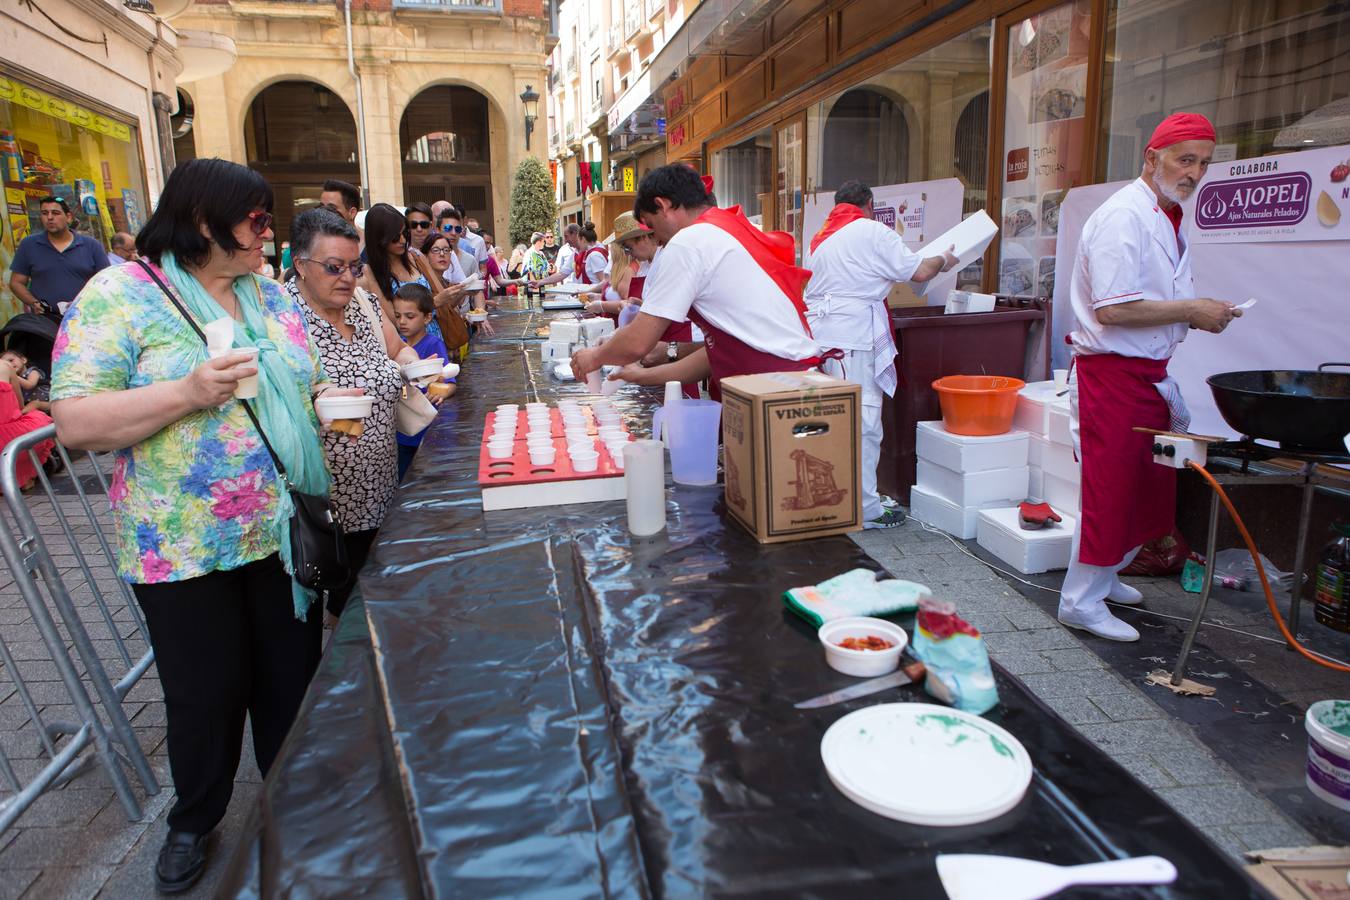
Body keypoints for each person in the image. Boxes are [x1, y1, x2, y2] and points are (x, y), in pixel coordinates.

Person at [49, 158, 345, 893]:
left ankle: (292, 802)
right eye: (255, 219)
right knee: (205, 692)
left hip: (279, 532)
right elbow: (75, 420)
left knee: (289, 679)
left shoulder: (269, 295)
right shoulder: (122, 294)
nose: (267, 231)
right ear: (203, 221)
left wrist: (320, 410)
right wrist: (186, 392)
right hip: (181, 544)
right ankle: (197, 818)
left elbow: (294, 384)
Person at [1060, 112, 1241, 642]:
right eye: (1185, 159)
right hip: (1112, 377)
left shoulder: (1164, 214)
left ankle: (1107, 574)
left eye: (1203, 163)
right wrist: (1192, 309)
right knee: (1112, 489)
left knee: (1144, 487)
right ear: (1152, 158)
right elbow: (1114, 310)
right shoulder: (1125, 218)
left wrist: (1195, 313)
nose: (1194, 172)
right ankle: (1080, 600)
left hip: (1146, 376)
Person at [571, 165, 820, 395]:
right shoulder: (721, 228)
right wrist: (642, 375)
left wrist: (594, 357)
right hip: (787, 379)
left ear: (663, 205)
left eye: (651, 225)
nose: (655, 238)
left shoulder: (688, 242)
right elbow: (714, 354)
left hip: (776, 387)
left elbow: (638, 341)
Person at [804, 180, 958, 530]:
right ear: (870, 205)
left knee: (831, 420)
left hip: (823, 337)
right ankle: (864, 509)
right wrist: (944, 259)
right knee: (863, 423)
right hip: (853, 338)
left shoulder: (821, 238)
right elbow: (920, 271)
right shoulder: (871, 231)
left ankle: (833, 500)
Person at [287, 208, 417, 621]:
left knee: (370, 589)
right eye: (333, 267)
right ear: (300, 266)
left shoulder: (364, 303)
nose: (347, 277)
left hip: (378, 481)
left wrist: (416, 370)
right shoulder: (282, 315)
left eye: (354, 266)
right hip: (324, 495)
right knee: (338, 597)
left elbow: (398, 349)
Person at [604, 212, 703, 400]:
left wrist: (600, 355)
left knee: (677, 400)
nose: (629, 253)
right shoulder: (652, 262)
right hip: (662, 345)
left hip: (676, 344)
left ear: (642, 238)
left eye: (628, 247)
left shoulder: (669, 257)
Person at [9, 195, 109, 318]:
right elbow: (16, 282)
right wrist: (34, 303)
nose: (49, 218)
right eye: (45, 213)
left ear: (68, 217)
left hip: (84, 319)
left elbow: (106, 282)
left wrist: (89, 303)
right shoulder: (29, 245)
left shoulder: (91, 246)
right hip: (44, 321)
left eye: (55, 213)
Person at [391, 283, 452, 480]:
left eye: (410, 316)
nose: (402, 322)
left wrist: (441, 391)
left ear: (427, 317)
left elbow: (449, 381)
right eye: (397, 315)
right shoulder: (393, 346)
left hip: (425, 429)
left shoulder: (434, 345)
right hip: (400, 430)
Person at [1, 347, 47, 412]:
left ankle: (22, 413)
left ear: (23, 360)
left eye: (11, 360)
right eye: (6, 364)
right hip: (28, 402)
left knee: (35, 404)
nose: (9, 365)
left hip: (47, 399)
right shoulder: (14, 377)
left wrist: (13, 375)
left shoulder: (33, 371)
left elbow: (30, 385)